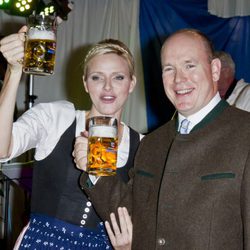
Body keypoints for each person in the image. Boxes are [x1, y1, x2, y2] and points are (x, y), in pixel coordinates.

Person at [76, 28, 250, 249]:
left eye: (189, 65)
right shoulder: (151, 143)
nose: (179, 79)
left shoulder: (245, 134)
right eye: (169, 69)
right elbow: (130, 217)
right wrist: (96, 171)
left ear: (215, 69)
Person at [0, 25, 141, 249]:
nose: (107, 87)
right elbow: (2, 149)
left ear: (131, 83)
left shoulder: (141, 146)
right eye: (97, 77)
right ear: (86, 83)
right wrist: (13, 72)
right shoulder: (57, 117)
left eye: (118, 77)